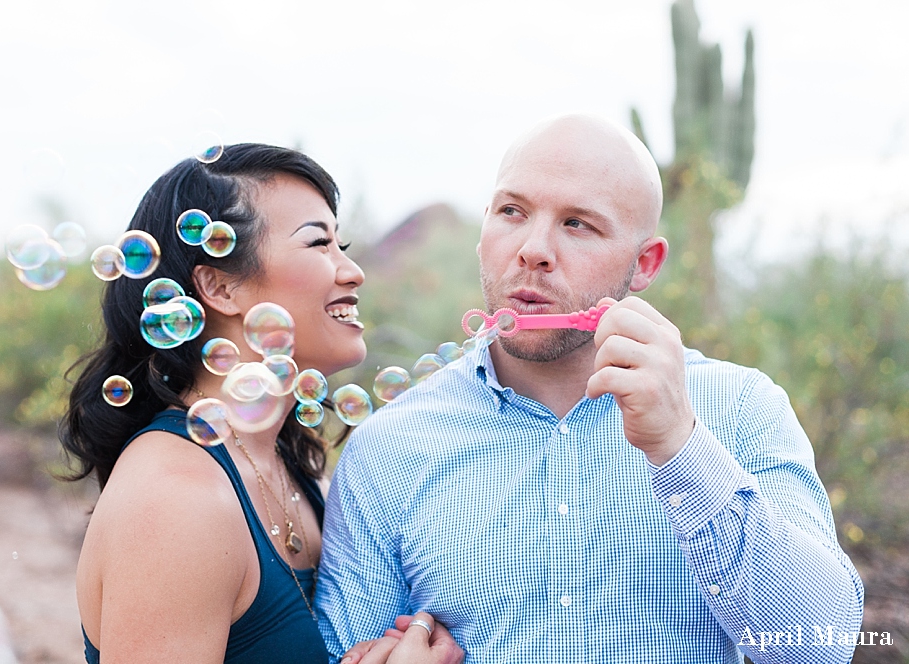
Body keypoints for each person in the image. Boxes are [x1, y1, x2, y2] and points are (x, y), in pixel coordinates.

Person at [316, 116, 865, 664]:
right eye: (512, 211)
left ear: (644, 264)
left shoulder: (744, 408)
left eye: (578, 224)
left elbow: (824, 647)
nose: (533, 249)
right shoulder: (386, 448)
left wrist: (680, 446)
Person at [59, 144, 462, 664]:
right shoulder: (176, 499)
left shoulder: (293, 470)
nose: (352, 271)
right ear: (221, 287)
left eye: (343, 244)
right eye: (319, 243)